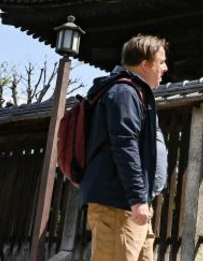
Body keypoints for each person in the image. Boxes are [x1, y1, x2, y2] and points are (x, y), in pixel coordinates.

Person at [81, 34, 169, 261]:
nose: (165, 68)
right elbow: (125, 145)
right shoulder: (124, 93)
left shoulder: (134, 93)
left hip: (128, 205)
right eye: (161, 62)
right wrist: (138, 198)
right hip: (118, 204)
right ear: (145, 64)